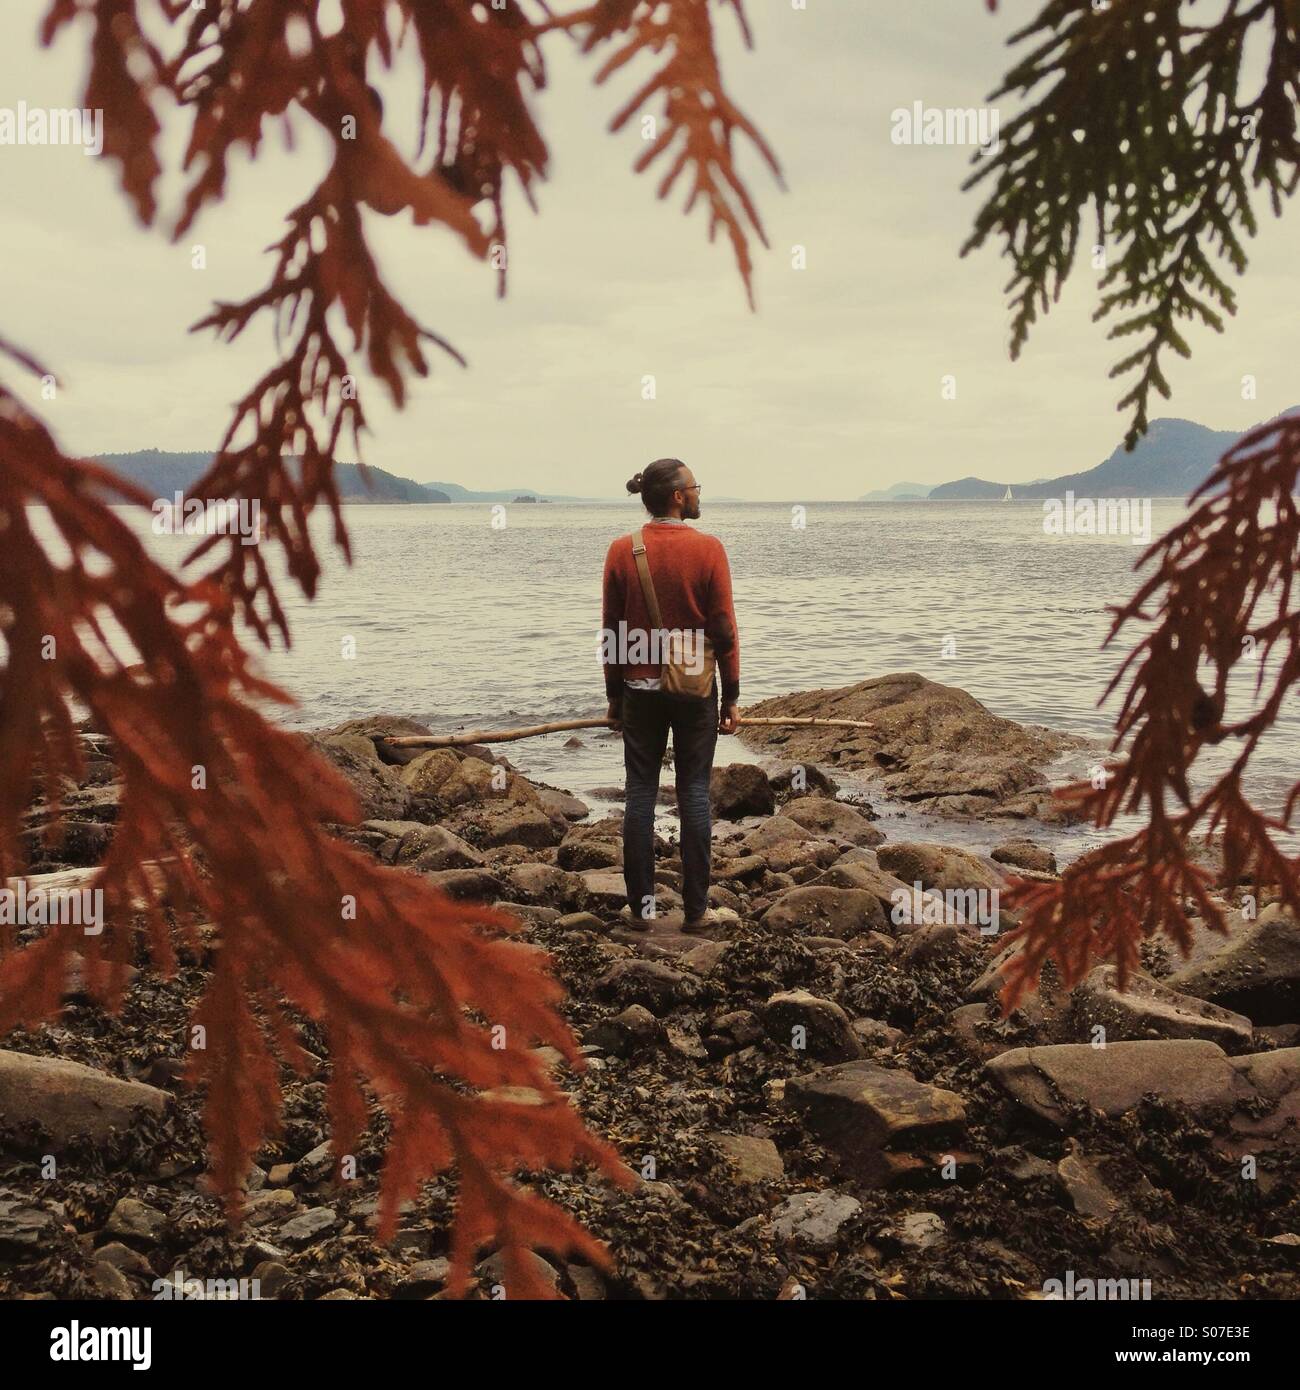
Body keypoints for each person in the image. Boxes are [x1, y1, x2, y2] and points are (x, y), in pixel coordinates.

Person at [600, 458, 740, 930]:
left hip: (639, 688)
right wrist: (732, 695)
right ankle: (697, 912)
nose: (699, 493)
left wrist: (614, 695)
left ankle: (640, 912)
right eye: (695, 487)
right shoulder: (709, 550)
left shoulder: (623, 550)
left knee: (640, 792)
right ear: (678, 496)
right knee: (694, 792)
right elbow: (723, 631)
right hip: (695, 687)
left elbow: (612, 631)